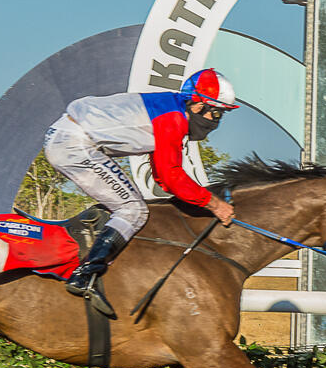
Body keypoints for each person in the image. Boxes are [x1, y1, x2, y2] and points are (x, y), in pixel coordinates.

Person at [42, 68, 238, 316]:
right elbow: (171, 176)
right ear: (198, 105)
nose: (217, 121)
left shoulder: (171, 108)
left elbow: (163, 176)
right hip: (73, 143)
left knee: (131, 205)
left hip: (69, 137)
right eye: (217, 113)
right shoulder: (173, 118)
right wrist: (214, 204)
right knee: (132, 209)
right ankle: (85, 275)